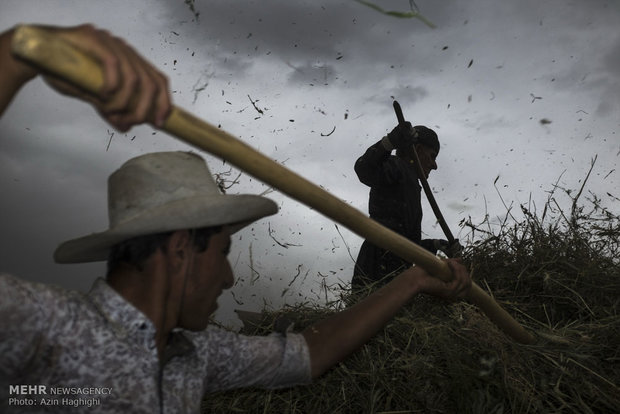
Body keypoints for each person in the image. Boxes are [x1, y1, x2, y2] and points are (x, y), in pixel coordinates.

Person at [0, 23, 472, 413]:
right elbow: (365, 168)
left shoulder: (198, 356)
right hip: (380, 256)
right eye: (222, 252)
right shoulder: (44, 326)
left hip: (399, 262)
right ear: (181, 247)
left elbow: (310, 352)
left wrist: (417, 279)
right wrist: (21, 54)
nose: (228, 278)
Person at [352, 122, 462, 290]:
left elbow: (408, 244)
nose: (434, 165)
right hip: (379, 266)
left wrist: (436, 245)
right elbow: (364, 169)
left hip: (396, 269)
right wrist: (389, 142)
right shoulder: (396, 166)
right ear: (417, 151)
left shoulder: (411, 183)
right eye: (432, 156)